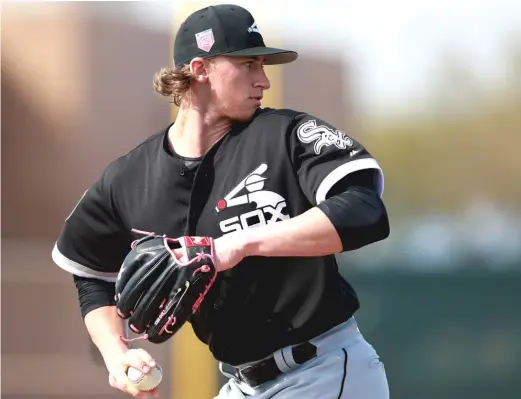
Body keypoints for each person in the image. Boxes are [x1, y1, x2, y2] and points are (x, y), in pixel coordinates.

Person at [51, 4, 391, 399]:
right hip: (242, 383)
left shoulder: (286, 135)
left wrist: (236, 245)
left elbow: (364, 211)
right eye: (248, 64)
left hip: (321, 369)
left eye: (262, 65)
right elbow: (90, 271)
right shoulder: (130, 178)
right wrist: (115, 352)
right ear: (200, 69)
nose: (263, 80)